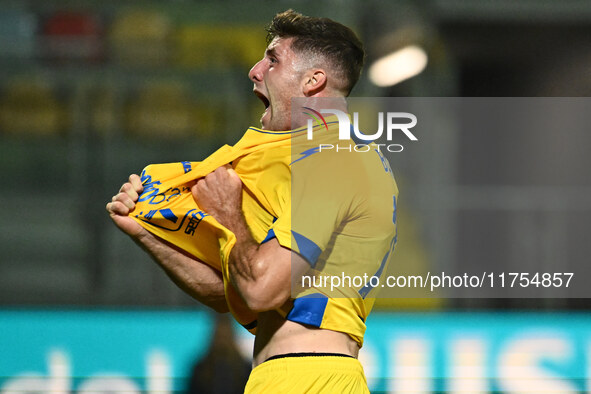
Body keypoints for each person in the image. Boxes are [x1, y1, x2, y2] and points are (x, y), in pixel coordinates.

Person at [107, 10, 397, 393]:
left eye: (273, 59)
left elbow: (261, 290)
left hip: (309, 377)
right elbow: (230, 292)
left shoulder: (337, 162)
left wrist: (229, 212)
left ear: (313, 81)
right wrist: (144, 233)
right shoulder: (318, 162)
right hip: (286, 375)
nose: (255, 70)